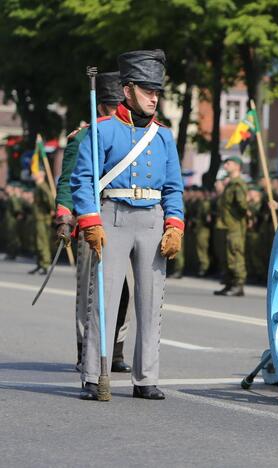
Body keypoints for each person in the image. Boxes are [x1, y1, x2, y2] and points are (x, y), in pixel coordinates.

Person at [72, 49, 184, 400]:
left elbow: (174, 187)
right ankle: (93, 375)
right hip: (113, 217)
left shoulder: (163, 136)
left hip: (151, 221)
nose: (154, 98)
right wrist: (90, 221)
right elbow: (83, 179)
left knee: (151, 304)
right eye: (148, 90)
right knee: (102, 303)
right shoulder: (103, 129)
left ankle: (146, 377)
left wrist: (174, 225)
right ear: (127, 90)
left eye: (157, 92)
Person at [55, 71, 132, 373]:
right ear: (101, 107)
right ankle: (84, 349)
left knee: (126, 289)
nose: (119, 111)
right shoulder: (85, 136)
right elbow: (69, 179)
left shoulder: (136, 136)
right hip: (92, 218)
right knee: (91, 290)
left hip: (127, 217)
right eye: (114, 106)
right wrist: (64, 216)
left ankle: (116, 351)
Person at [213, 156, 248, 296]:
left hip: (234, 226)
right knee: (226, 256)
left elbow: (242, 206)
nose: (226, 165)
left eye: (229, 163)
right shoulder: (230, 184)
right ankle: (229, 283)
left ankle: (238, 285)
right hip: (225, 225)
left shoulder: (238, 184)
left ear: (237, 166)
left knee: (235, 254)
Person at [29, 170, 54, 275]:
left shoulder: (42, 186)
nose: (33, 174)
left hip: (42, 218)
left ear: (41, 175)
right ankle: (40, 263)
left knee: (42, 242)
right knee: (37, 242)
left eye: (35, 173)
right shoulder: (38, 186)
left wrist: (52, 210)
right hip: (38, 218)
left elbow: (49, 199)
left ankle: (45, 264)